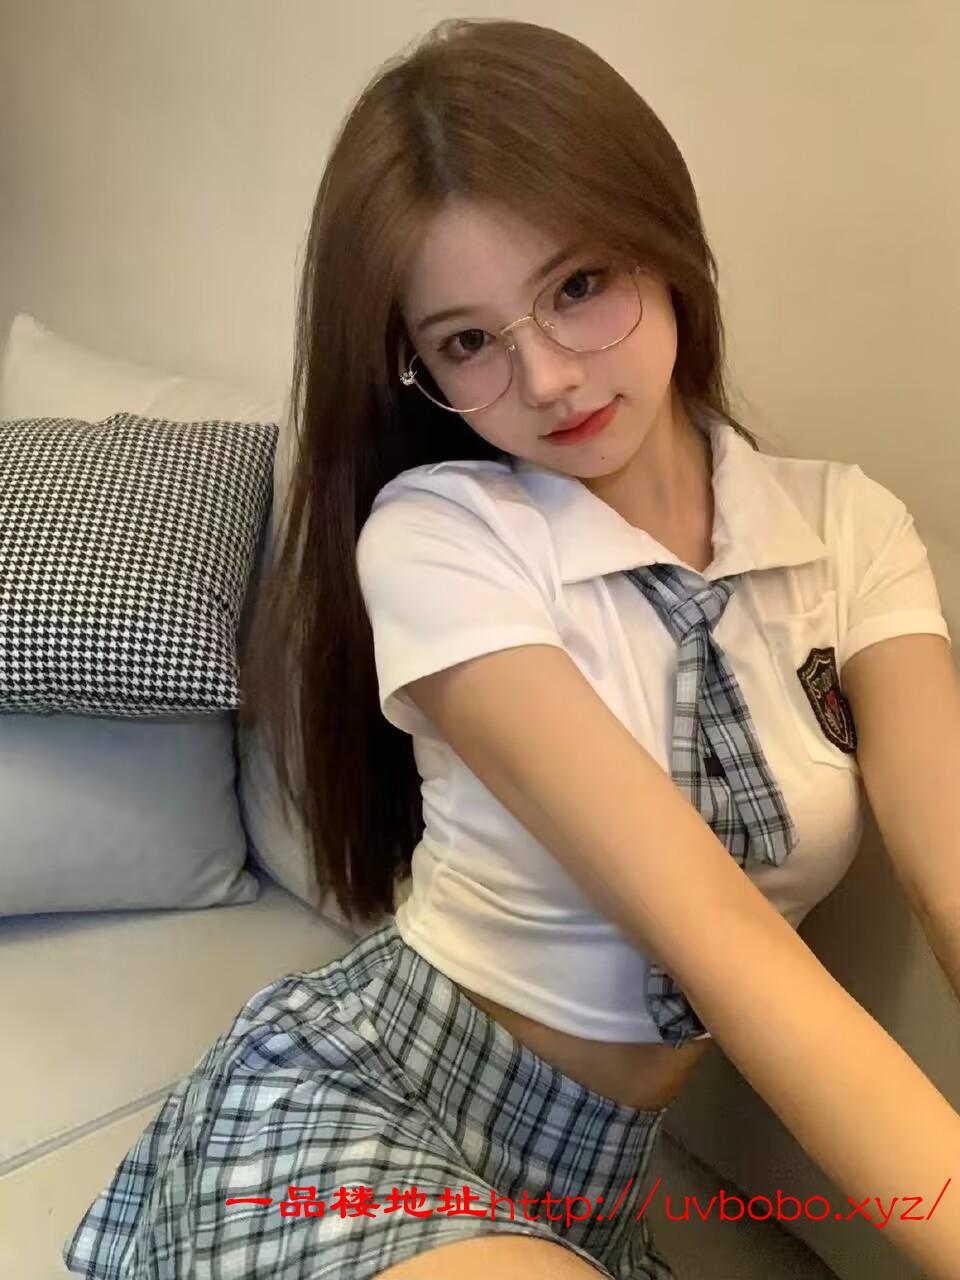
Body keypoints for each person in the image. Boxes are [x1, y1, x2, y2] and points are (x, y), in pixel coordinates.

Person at [63, 17, 960, 1280]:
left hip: (587, 1201)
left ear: (667, 246)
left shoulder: (849, 533)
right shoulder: (443, 537)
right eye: (468, 341)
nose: (546, 378)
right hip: (354, 1112)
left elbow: (950, 880)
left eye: (579, 286)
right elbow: (721, 934)